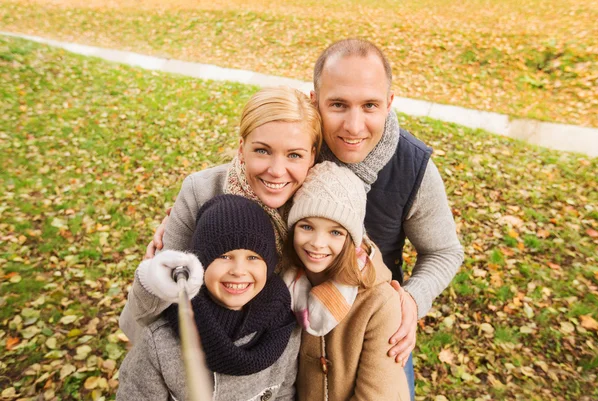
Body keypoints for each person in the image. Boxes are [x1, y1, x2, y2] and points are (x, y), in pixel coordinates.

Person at [145, 39, 464, 400]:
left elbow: (444, 252)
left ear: (389, 103)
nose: (354, 125)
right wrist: (187, 220)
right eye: (338, 105)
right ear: (315, 101)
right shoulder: (294, 154)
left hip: (367, 322)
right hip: (282, 319)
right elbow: (241, 179)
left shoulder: (413, 168)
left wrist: (411, 300)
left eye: (370, 105)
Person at [119, 85, 322, 344]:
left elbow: (356, 250)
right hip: (201, 334)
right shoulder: (202, 190)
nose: (276, 171)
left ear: (312, 156)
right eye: (262, 150)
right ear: (241, 147)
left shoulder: (320, 199)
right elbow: (159, 297)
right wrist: (154, 274)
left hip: (281, 346)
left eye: (294, 155)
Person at [117, 195, 300, 400]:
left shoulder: (283, 327)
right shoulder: (161, 342)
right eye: (224, 256)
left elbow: (285, 392)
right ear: (200, 264)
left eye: (253, 258)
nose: (239, 271)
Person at [283, 162, 410, 401]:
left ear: (353, 239)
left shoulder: (379, 302)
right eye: (307, 226)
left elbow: (375, 395)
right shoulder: (287, 285)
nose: (318, 243)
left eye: (335, 232)